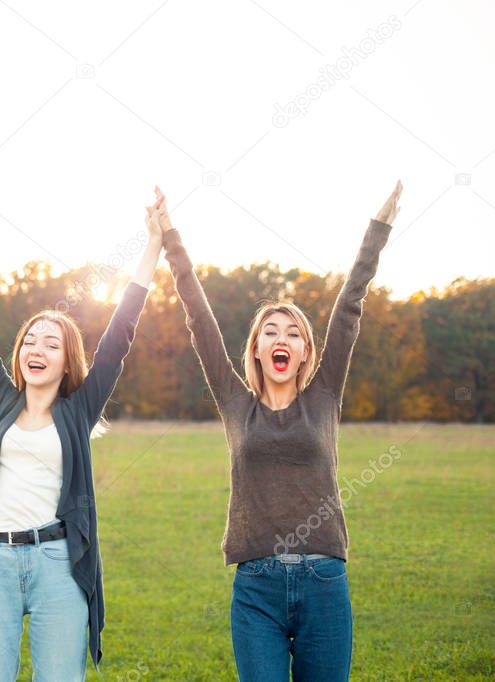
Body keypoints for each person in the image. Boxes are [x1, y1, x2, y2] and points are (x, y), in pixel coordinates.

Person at [153, 181, 403, 681]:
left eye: (293, 332)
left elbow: (350, 306)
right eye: (271, 331)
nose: (281, 338)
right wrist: (169, 238)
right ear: (257, 349)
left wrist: (378, 230)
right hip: (256, 585)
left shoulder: (325, 395)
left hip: (324, 582)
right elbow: (199, 318)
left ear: (306, 351)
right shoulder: (234, 403)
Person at [0, 184, 162, 680]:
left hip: (58, 564)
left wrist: (152, 246)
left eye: (51, 343)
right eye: (29, 341)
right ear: (20, 354)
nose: (36, 348)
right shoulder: (0, 398)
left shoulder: (79, 409)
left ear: (67, 362)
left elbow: (121, 333)